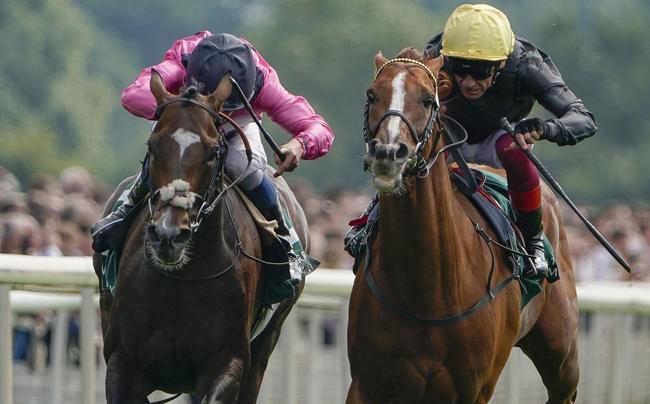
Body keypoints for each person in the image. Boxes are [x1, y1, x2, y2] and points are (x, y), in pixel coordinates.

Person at [347, 4, 597, 278]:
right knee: (411, 142)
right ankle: (373, 217)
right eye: (460, 71)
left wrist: (545, 127)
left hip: (501, 140)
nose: (467, 82)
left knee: (512, 149)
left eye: (479, 73)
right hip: (449, 138)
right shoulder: (438, 56)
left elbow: (583, 119)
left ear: (502, 63)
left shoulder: (527, 64)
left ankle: (533, 240)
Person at [91, 32, 334, 299]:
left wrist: (299, 145)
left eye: (226, 104)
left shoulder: (264, 81)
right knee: (167, 154)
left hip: (236, 127)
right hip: (186, 118)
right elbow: (134, 95)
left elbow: (317, 127)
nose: (221, 110)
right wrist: (175, 107)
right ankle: (124, 211)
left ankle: (287, 241)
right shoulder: (183, 57)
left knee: (246, 168)